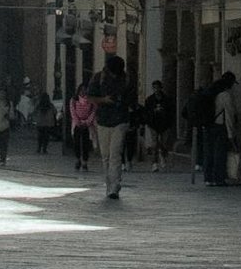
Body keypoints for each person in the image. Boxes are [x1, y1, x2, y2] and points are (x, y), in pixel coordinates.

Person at [86, 55, 131, 201]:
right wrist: (104, 100)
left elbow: (131, 98)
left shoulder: (126, 79)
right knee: (105, 155)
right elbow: (90, 97)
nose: (115, 75)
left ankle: (114, 186)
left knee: (115, 153)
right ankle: (109, 184)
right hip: (103, 120)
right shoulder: (98, 78)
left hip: (120, 120)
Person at [140, 79, 174, 171]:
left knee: (164, 143)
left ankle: (162, 156)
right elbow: (146, 112)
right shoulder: (149, 100)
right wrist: (147, 121)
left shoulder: (167, 99)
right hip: (153, 124)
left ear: (161, 88)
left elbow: (171, 112)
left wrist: (170, 122)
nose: (156, 90)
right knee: (154, 144)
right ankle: (154, 163)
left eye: (157, 88)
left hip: (165, 124)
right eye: (154, 88)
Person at [68, 81, 95, 175]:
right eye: (82, 90)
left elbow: (93, 112)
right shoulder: (74, 100)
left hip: (87, 125)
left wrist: (87, 122)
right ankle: (78, 159)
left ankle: (85, 161)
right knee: (76, 143)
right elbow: (72, 112)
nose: (83, 92)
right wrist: (77, 122)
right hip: (76, 124)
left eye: (85, 90)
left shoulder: (91, 101)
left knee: (86, 144)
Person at [33, 91, 57, 157]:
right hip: (48, 123)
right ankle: (44, 149)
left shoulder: (39, 105)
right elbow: (55, 111)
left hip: (40, 123)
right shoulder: (50, 105)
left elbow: (34, 111)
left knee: (40, 136)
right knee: (46, 137)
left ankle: (39, 148)